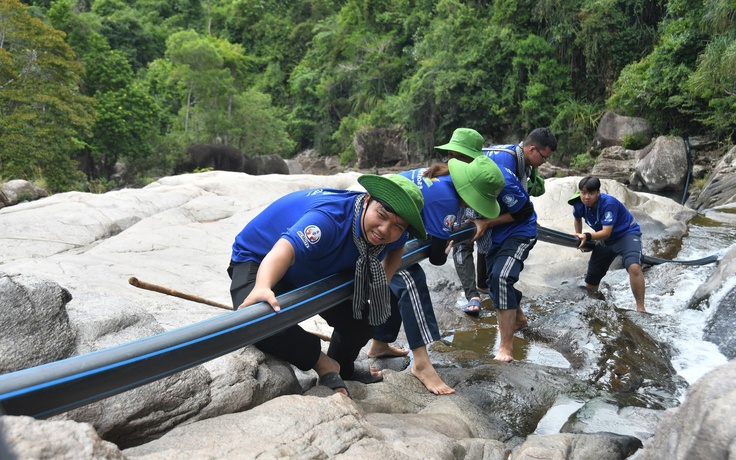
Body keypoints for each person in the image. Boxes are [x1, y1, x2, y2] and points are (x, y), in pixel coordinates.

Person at [228, 174, 427, 397]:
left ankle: (343, 366)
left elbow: (397, 245)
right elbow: (284, 250)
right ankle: (324, 364)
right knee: (255, 322)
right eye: (381, 216)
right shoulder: (330, 218)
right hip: (260, 258)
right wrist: (262, 286)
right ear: (368, 199)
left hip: (315, 268)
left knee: (361, 320)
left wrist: (383, 279)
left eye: (397, 226)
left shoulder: (392, 231)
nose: (384, 230)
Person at [367, 155, 505, 394]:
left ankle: (380, 343)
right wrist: (445, 243)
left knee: (396, 281)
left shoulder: (443, 178)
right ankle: (421, 363)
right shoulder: (446, 200)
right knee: (411, 279)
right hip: (375, 233)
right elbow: (437, 257)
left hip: (387, 232)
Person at [459, 128, 558, 315]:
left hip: (485, 202)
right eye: (544, 158)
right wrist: (487, 221)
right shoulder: (505, 169)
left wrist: (489, 222)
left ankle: (484, 286)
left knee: (493, 268)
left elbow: (521, 208)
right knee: (466, 241)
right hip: (471, 201)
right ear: (531, 149)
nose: (544, 162)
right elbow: (523, 211)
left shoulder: (514, 155)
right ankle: (473, 295)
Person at [469, 159, 540, 362]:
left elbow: (524, 212)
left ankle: (506, 348)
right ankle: (518, 319)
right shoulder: (468, 175)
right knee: (493, 282)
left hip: (519, 233)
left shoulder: (502, 182)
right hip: (494, 238)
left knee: (501, 277)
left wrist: (488, 222)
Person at [569, 176, 646, 312]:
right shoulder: (578, 203)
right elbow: (577, 218)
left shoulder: (608, 204)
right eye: (583, 193)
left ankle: (640, 308)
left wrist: (586, 236)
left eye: (591, 193)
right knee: (591, 280)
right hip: (605, 241)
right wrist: (578, 236)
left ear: (598, 192)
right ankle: (592, 306)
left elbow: (606, 232)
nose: (586, 197)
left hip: (626, 234)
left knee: (634, 267)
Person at [433, 128, 486, 315]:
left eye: (456, 155)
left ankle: (484, 285)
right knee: (462, 245)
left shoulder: (484, 172)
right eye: (450, 156)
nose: (451, 159)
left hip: (483, 210)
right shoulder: (444, 176)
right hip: (460, 213)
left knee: (486, 245)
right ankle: (473, 294)